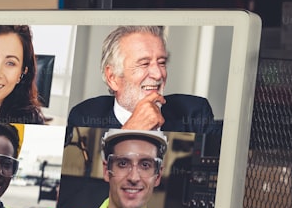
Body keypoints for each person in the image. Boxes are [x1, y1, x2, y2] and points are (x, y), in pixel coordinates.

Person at [67, 25, 217, 133]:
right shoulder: (84, 117)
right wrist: (129, 131)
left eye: (162, 62)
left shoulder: (194, 112)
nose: (158, 74)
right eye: (144, 63)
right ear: (112, 77)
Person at [65, 129, 184, 208]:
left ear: (157, 176)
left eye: (145, 165)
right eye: (123, 163)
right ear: (106, 171)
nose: (134, 177)